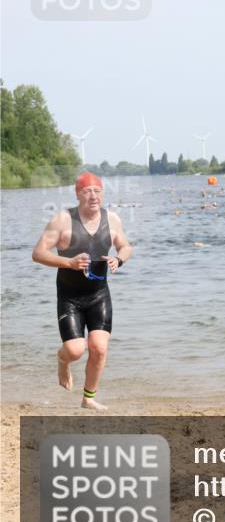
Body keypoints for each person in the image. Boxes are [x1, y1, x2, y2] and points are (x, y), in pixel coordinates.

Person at [31, 172, 133, 410]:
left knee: (99, 347)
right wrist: (68, 262)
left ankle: (88, 398)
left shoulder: (112, 219)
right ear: (78, 194)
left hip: (99, 295)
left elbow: (126, 246)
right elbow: (38, 253)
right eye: (87, 191)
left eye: (97, 191)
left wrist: (119, 259)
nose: (93, 196)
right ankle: (62, 361)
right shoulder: (62, 220)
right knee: (75, 350)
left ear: (102, 193)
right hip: (70, 297)